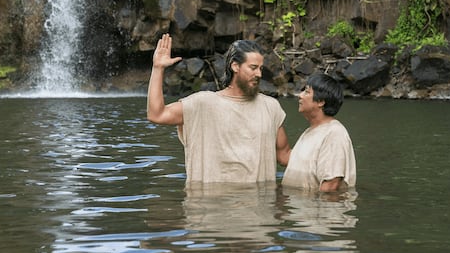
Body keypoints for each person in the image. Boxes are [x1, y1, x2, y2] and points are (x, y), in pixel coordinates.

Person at [147, 34, 290, 184]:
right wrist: (158, 68)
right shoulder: (203, 103)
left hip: (259, 204)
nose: (259, 74)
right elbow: (157, 114)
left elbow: (284, 155)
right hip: (211, 204)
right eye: (253, 68)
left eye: (260, 68)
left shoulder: (270, 107)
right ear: (235, 66)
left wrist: (317, 153)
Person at [281, 73, 356, 192]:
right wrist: (273, 120)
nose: (300, 95)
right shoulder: (311, 130)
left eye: (306, 92)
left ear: (321, 101)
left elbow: (330, 185)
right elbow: (288, 158)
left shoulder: (334, 133)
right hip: (299, 208)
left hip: (314, 210)